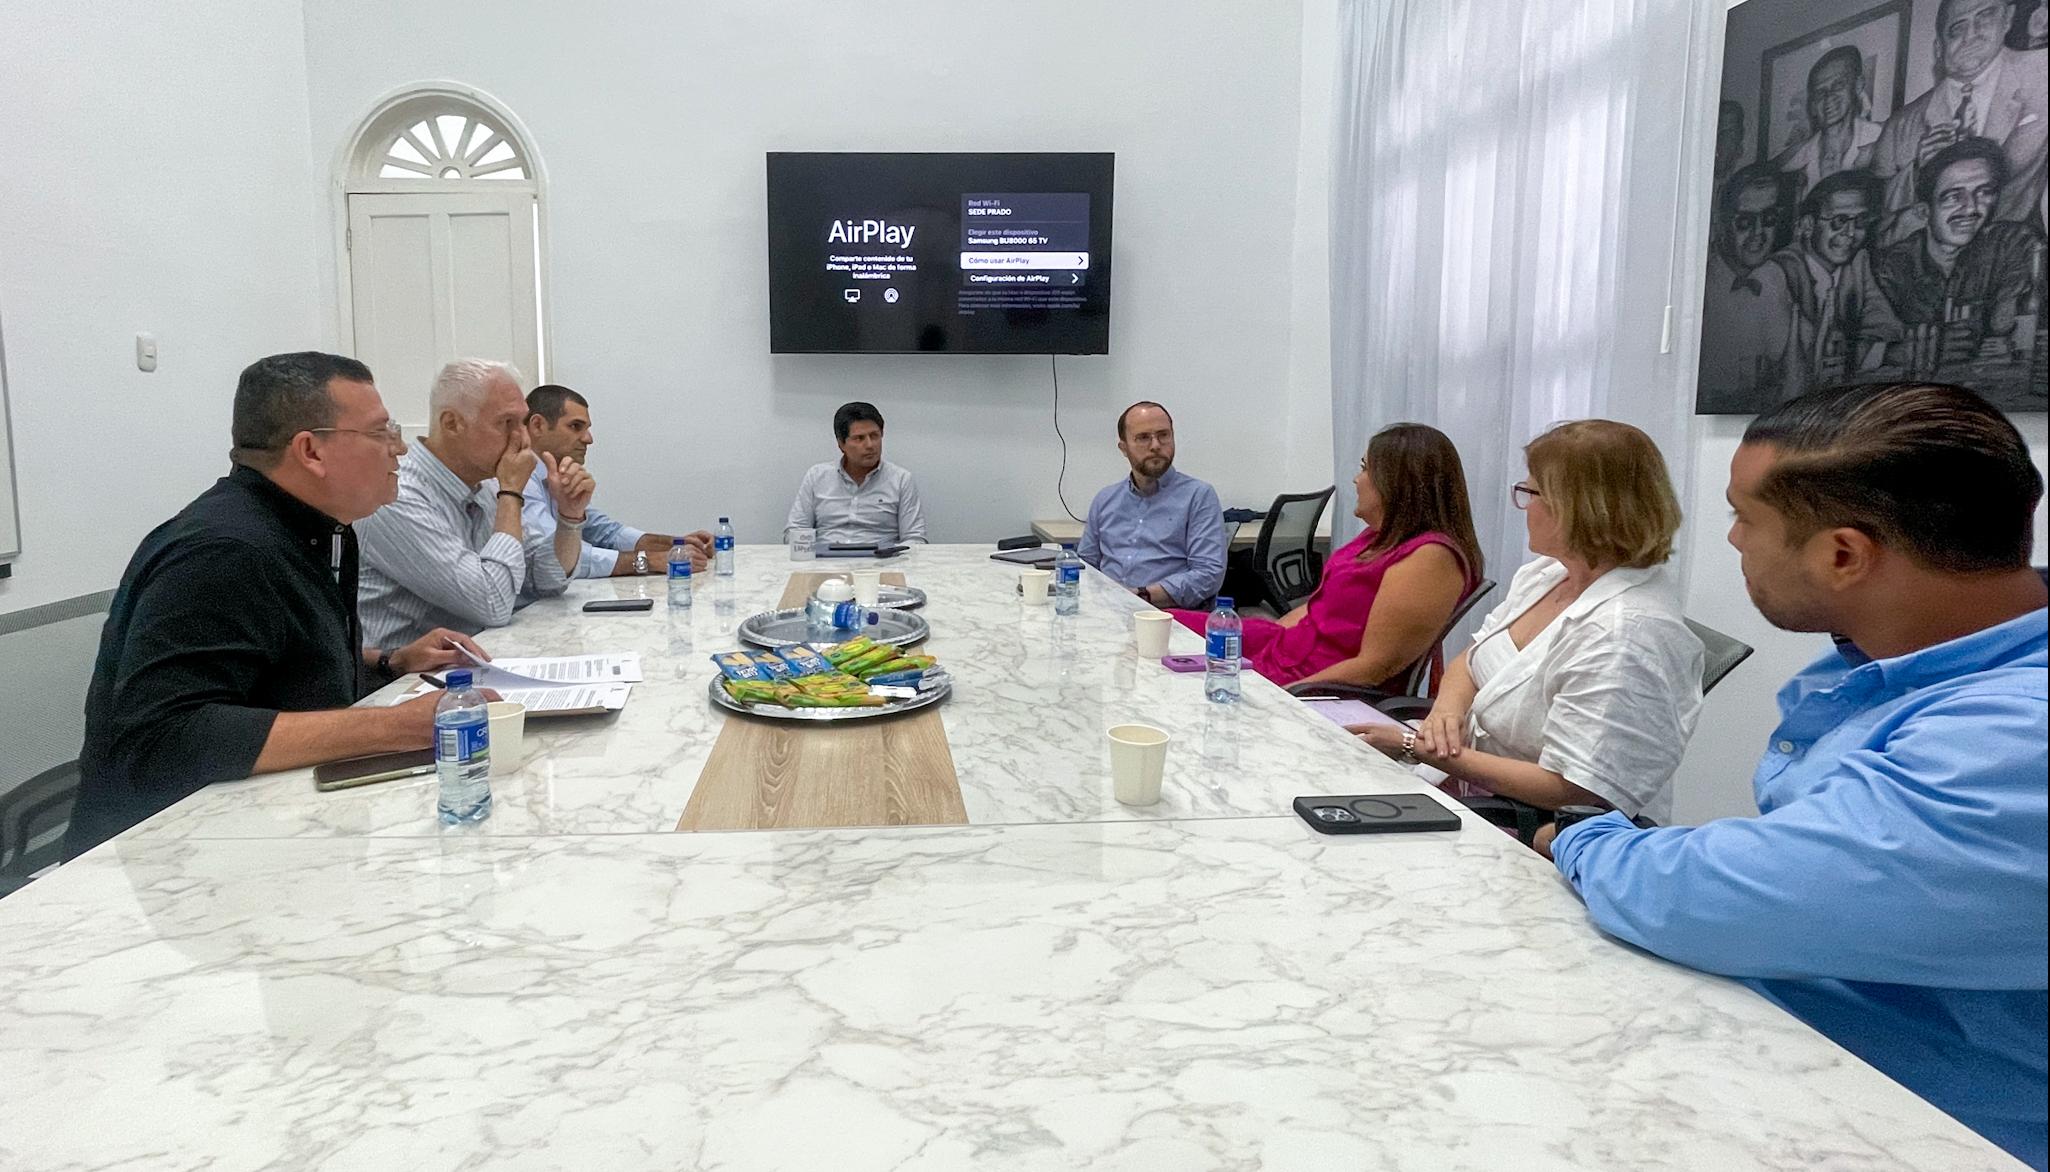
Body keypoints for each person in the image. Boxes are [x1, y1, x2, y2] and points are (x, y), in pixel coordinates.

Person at [1538, 383, 2047, 1169]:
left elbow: (1712, 900)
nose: (1734, 540)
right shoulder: (1898, 660)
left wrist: (1581, 836)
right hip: (1807, 1054)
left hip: (1932, 1125)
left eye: (1746, 517)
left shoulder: (2016, 741)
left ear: (1842, 553)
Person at [64, 353, 491, 859]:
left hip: (268, 826)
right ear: (311, 451)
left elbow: (275, 668)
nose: (399, 448)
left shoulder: (319, 530)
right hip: (166, 856)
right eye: (381, 433)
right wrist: (394, 726)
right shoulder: (224, 550)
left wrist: (390, 661)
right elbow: (162, 738)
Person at [1356, 421, 1703, 825]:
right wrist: (1446, 713)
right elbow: (1472, 657)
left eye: (1530, 491)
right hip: (1462, 783)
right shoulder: (1548, 575)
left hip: (1527, 828)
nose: (1523, 505)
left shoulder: (1627, 634)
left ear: (1579, 506)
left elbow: (1577, 789)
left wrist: (1419, 746)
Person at [1172, 423, 1481, 689]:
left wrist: (1286, 694)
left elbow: (1375, 668)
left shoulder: (1430, 558)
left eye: (1365, 468)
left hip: (1311, 678)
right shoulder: (1382, 535)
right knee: (1164, 623)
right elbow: (1318, 610)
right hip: (1288, 649)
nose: (1357, 479)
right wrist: (1264, 636)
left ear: (1398, 483)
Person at [358, 359, 594, 648]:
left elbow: (545, 578)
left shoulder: (486, 483)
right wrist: (510, 494)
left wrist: (570, 516)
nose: (522, 438)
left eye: (522, 422)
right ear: (452, 424)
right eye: (506, 423)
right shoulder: (398, 496)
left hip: (475, 659)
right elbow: (492, 603)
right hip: (402, 682)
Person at [1870, 0, 2048, 244]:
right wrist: (1918, 175)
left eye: (1984, 16)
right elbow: (1877, 225)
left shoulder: (2042, 77)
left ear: (2008, 17)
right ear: (1938, 48)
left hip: (2015, 260)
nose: (1970, 36)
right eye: (1957, 28)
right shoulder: (1899, 126)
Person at [520, 383, 712, 588]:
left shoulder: (558, 475)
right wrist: (648, 561)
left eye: (587, 429)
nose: (588, 439)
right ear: (538, 425)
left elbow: (605, 532)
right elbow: (553, 561)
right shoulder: (520, 480)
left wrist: (679, 545)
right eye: (575, 426)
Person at [1875, 136, 2046, 365]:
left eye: (1984, 192)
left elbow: (2009, 324)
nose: (1972, 208)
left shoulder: (2013, 244)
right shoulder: (1892, 267)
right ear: (1924, 211)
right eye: (1954, 196)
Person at [1077, 401, 1226, 607]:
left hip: (1168, 616)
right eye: (1143, 437)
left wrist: (1139, 596)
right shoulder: (1105, 500)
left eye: (1163, 435)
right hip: (1108, 611)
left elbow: (1208, 575)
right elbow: (1085, 566)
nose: (1156, 445)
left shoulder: (1198, 496)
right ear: (1124, 448)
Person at [1767, 170, 1902, 395]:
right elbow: (1808, 360)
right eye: (1839, 221)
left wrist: (1879, 348)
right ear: (1808, 225)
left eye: (1860, 221)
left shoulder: (1858, 262)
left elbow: (1888, 327)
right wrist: (1883, 353)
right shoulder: (1780, 271)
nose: (1850, 233)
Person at [1699, 163, 1801, 409]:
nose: (1758, 233)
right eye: (1745, 221)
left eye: (1768, 219)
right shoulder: (1700, 287)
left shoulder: (1775, 276)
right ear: (1722, 224)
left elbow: (1790, 376)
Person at [784, 401, 927, 546]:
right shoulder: (817, 477)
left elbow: (915, 538)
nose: (870, 445)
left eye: (875, 436)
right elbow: (795, 530)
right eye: (859, 438)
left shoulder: (901, 479)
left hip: (882, 562)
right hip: (825, 562)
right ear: (841, 444)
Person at [1772, 46, 1884, 194]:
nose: (1828, 97)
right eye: (1820, 92)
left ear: (1857, 86)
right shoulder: (1793, 160)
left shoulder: (1882, 140)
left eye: (1838, 85)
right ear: (1812, 105)